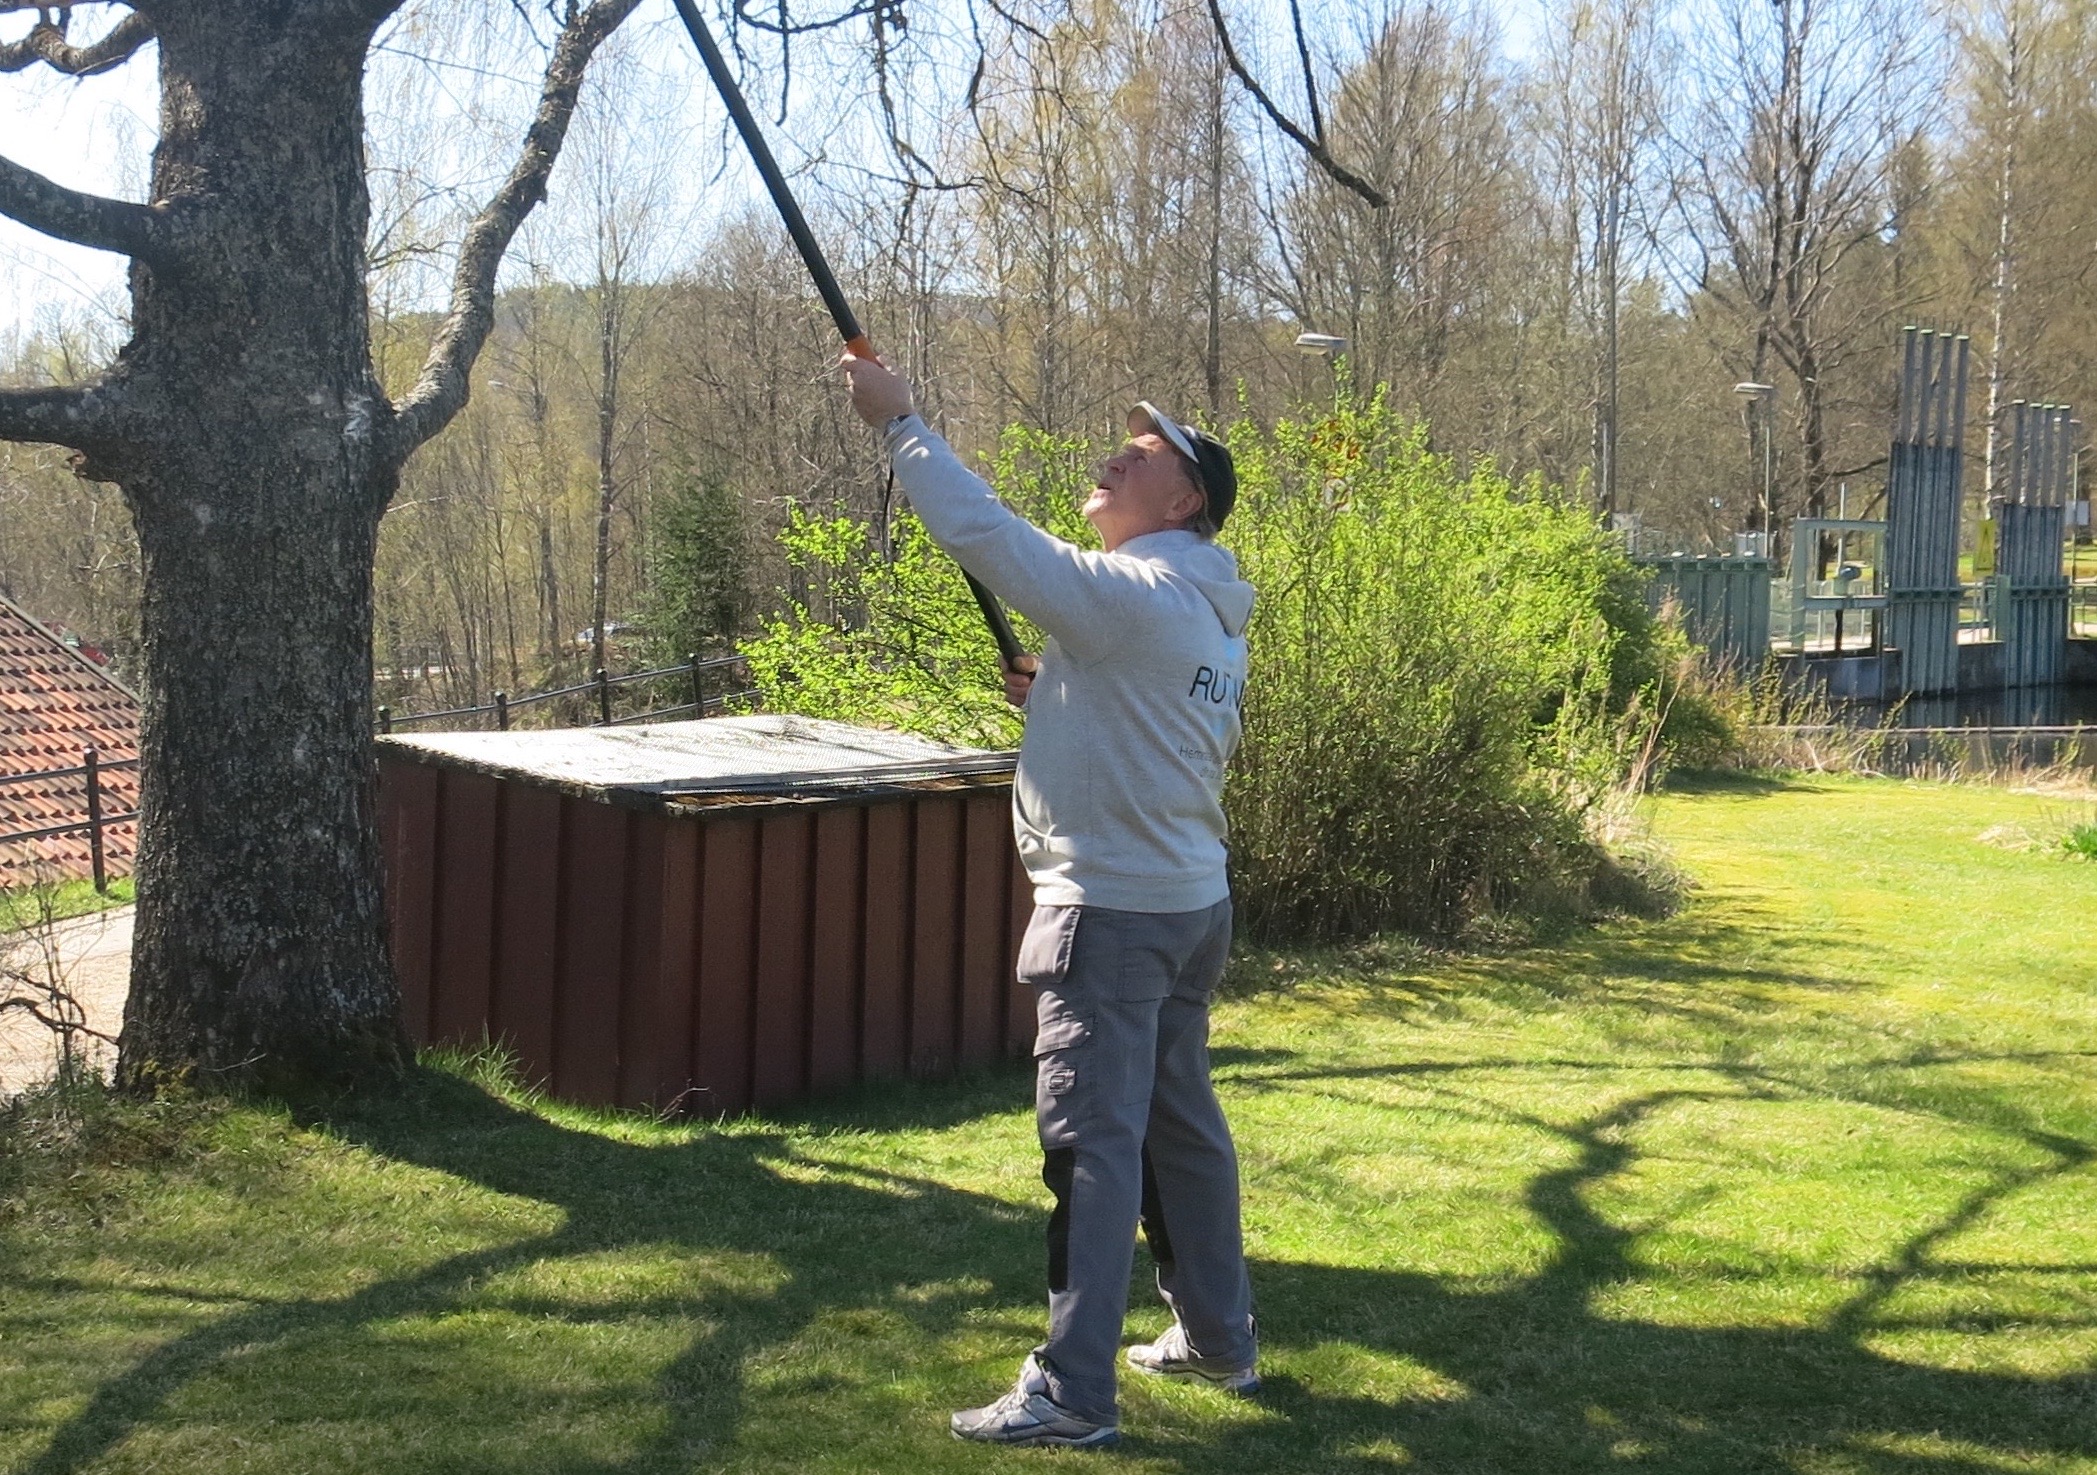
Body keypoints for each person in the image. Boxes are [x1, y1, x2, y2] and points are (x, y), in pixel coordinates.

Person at [842, 354, 1258, 1451]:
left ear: (1183, 502)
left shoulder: (1139, 594)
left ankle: (1073, 1389)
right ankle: (1218, 1335)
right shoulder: (1212, 621)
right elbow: (1152, 729)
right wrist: (1065, 690)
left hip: (1112, 919)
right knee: (1182, 1132)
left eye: (1147, 450)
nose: (1116, 453)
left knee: (1090, 1145)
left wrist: (901, 425)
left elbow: (985, 536)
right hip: (1186, 907)